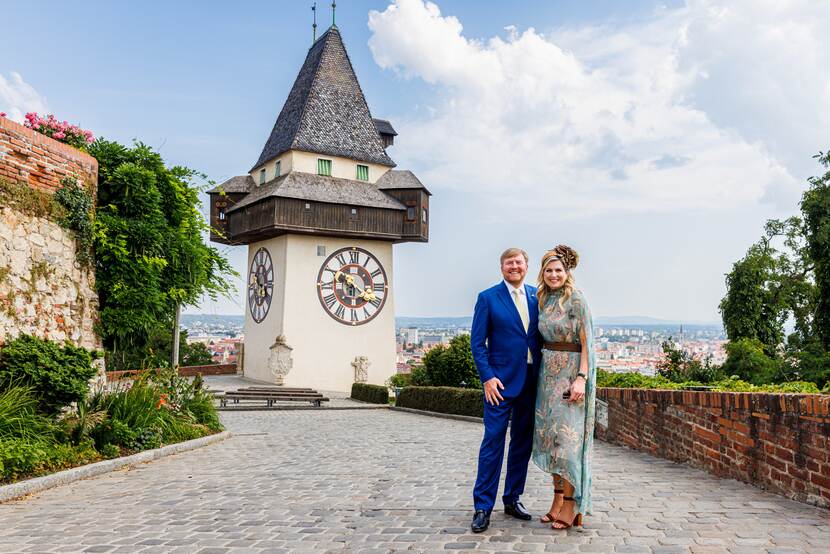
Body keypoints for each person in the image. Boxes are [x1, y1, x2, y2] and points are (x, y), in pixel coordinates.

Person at [470, 248, 542, 533]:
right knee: (493, 443)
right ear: (502, 267)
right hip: (498, 384)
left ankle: (513, 499)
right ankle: (482, 506)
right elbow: (477, 344)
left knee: (522, 444)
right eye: (509, 263)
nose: (514, 266)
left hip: (531, 382)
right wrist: (487, 378)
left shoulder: (539, 296)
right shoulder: (487, 298)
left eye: (519, 262)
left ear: (526, 266)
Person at [531, 245, 596, 530]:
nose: (553, 275)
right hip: (547, 377)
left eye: (558, 270)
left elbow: (587, 342)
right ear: (542, 273)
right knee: (553, 442)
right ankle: (557, 500)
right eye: (548, 270)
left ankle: (572, 505)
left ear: (566, 272)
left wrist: (581, 377)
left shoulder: (576, 299)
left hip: (571, 376)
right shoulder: (542, 299)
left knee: (568, 444)